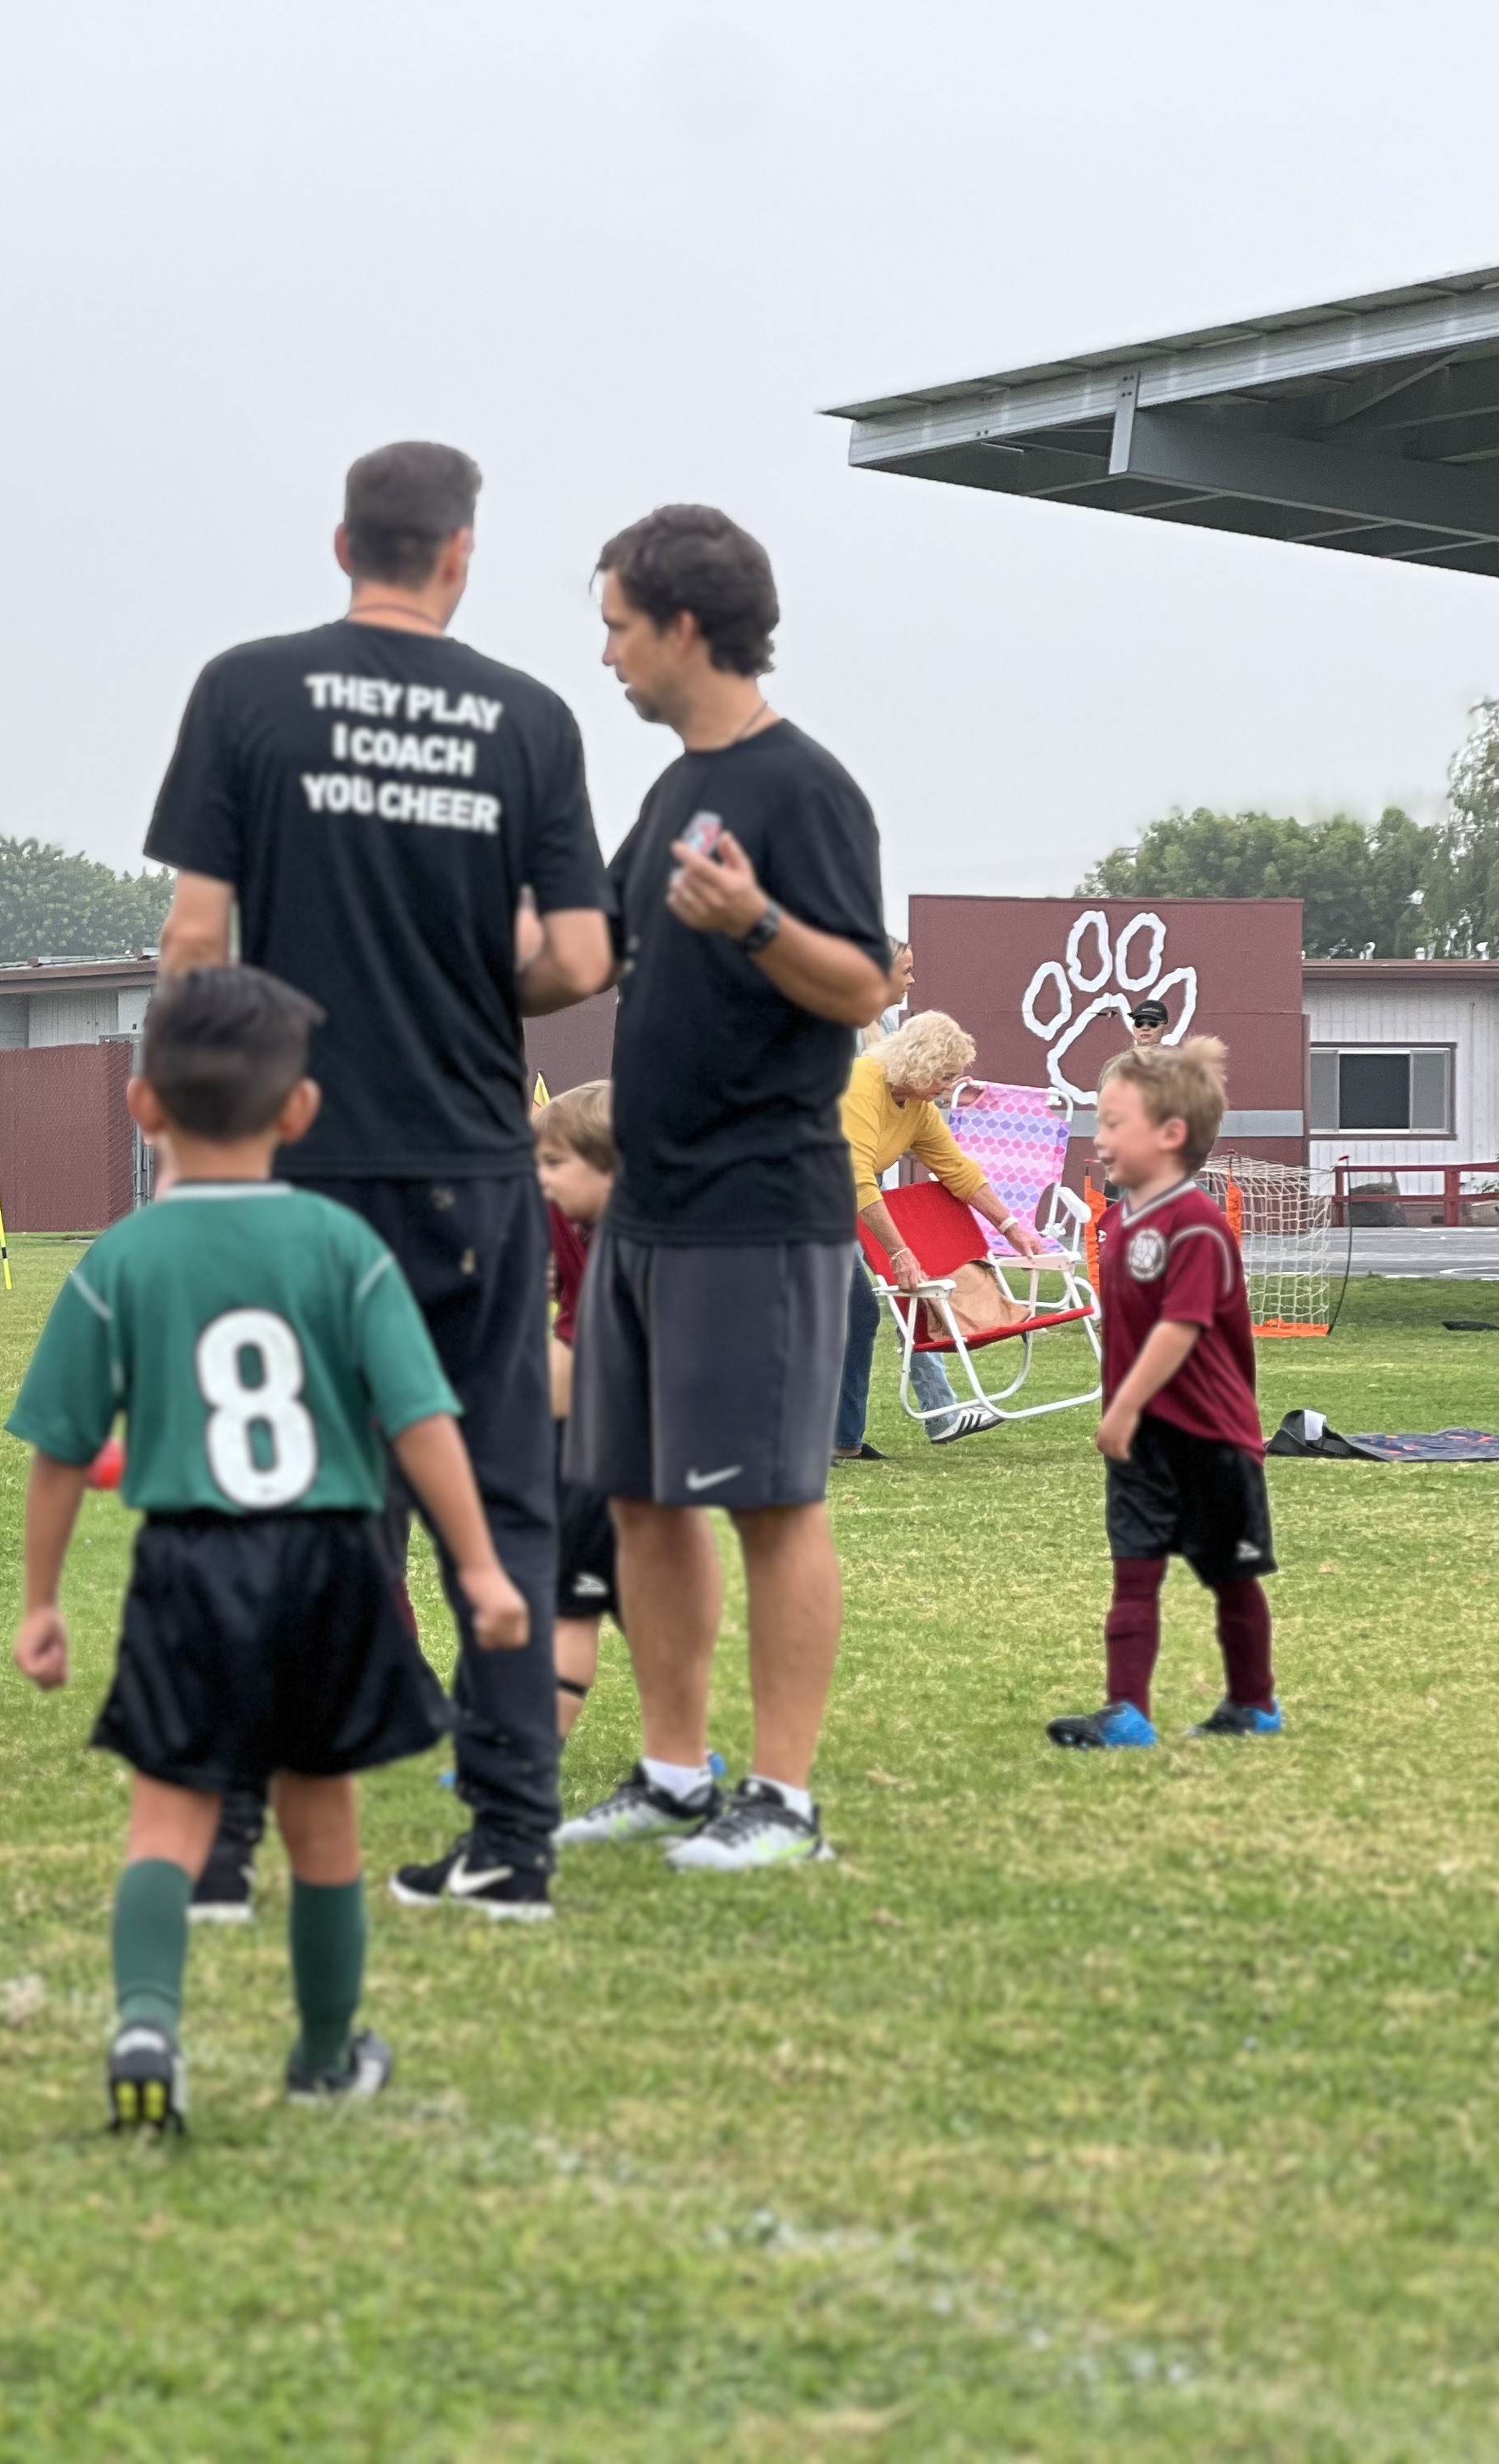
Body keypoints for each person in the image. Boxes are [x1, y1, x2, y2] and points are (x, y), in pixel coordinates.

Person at [147, 439, 613, 1922]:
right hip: (469, 1166)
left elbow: (193, 941)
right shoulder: (529, 717)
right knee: (498, 1496)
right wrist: (464, 970)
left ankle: (223, 1844)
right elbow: (580, 956)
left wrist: (194, 1141)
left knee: (261, 1487)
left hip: (289, 1160)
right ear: (460, 555)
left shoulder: (245, 690)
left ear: (344, 543)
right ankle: (511, 1838)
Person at [6, 967, 529, 2129]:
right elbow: (420, 1421)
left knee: (167, 1822)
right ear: (300, 1110)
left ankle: (147, 2024)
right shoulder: (343, 1244)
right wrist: (482, 1568)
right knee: (322, 1824)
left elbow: (61, 1450)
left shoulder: (122, 1259)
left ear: (143, 1105)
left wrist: (41, 1602)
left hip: (188, 1564)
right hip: (333, 1568)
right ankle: (327, 2057)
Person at [577, 504, 890, 1872]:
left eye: (617, 627)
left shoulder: (802, 787)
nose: (606, 655)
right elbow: (586, 948)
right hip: (647, 1205)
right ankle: (671, 1771)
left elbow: (865, 983)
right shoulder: (668, 794)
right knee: (643, 1495)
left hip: (759, 1204)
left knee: (769, 1501)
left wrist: (757, 921)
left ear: (683, 627)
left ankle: (784, 1799)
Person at [1048, 1038, 1283, 1750]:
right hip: (1144, 1443)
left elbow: (1180, 1327)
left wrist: (1121, 1406)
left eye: (1115, 1123)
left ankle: (1254, 1702)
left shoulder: (1197, 1226)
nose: (1100, 1138)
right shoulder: (1120, 1221)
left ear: (1171, 1135)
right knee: (1134, 1570)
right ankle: (1127, 1711)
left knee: (1231, 1576)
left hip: (1211, 1441)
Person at [837, 1012, 1047, 1459]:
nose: (950, 1088)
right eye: (946, 1076)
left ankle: (843, 1441)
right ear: (920, 1066)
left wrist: (1010, 1226)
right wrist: (899, 1252)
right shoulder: (861, 1083)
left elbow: (958, 1170)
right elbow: (857, 1178)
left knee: (864, 1312)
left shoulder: (918, 1108)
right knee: (846, 1313)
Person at [531, 1081, 619, 1745]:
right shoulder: (558, 1212)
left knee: (577, 1602)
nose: (542, 1178)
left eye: (555, 1163)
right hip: (573, 1411)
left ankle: (529, 1756)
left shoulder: (656, 1239)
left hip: (623, 1432)